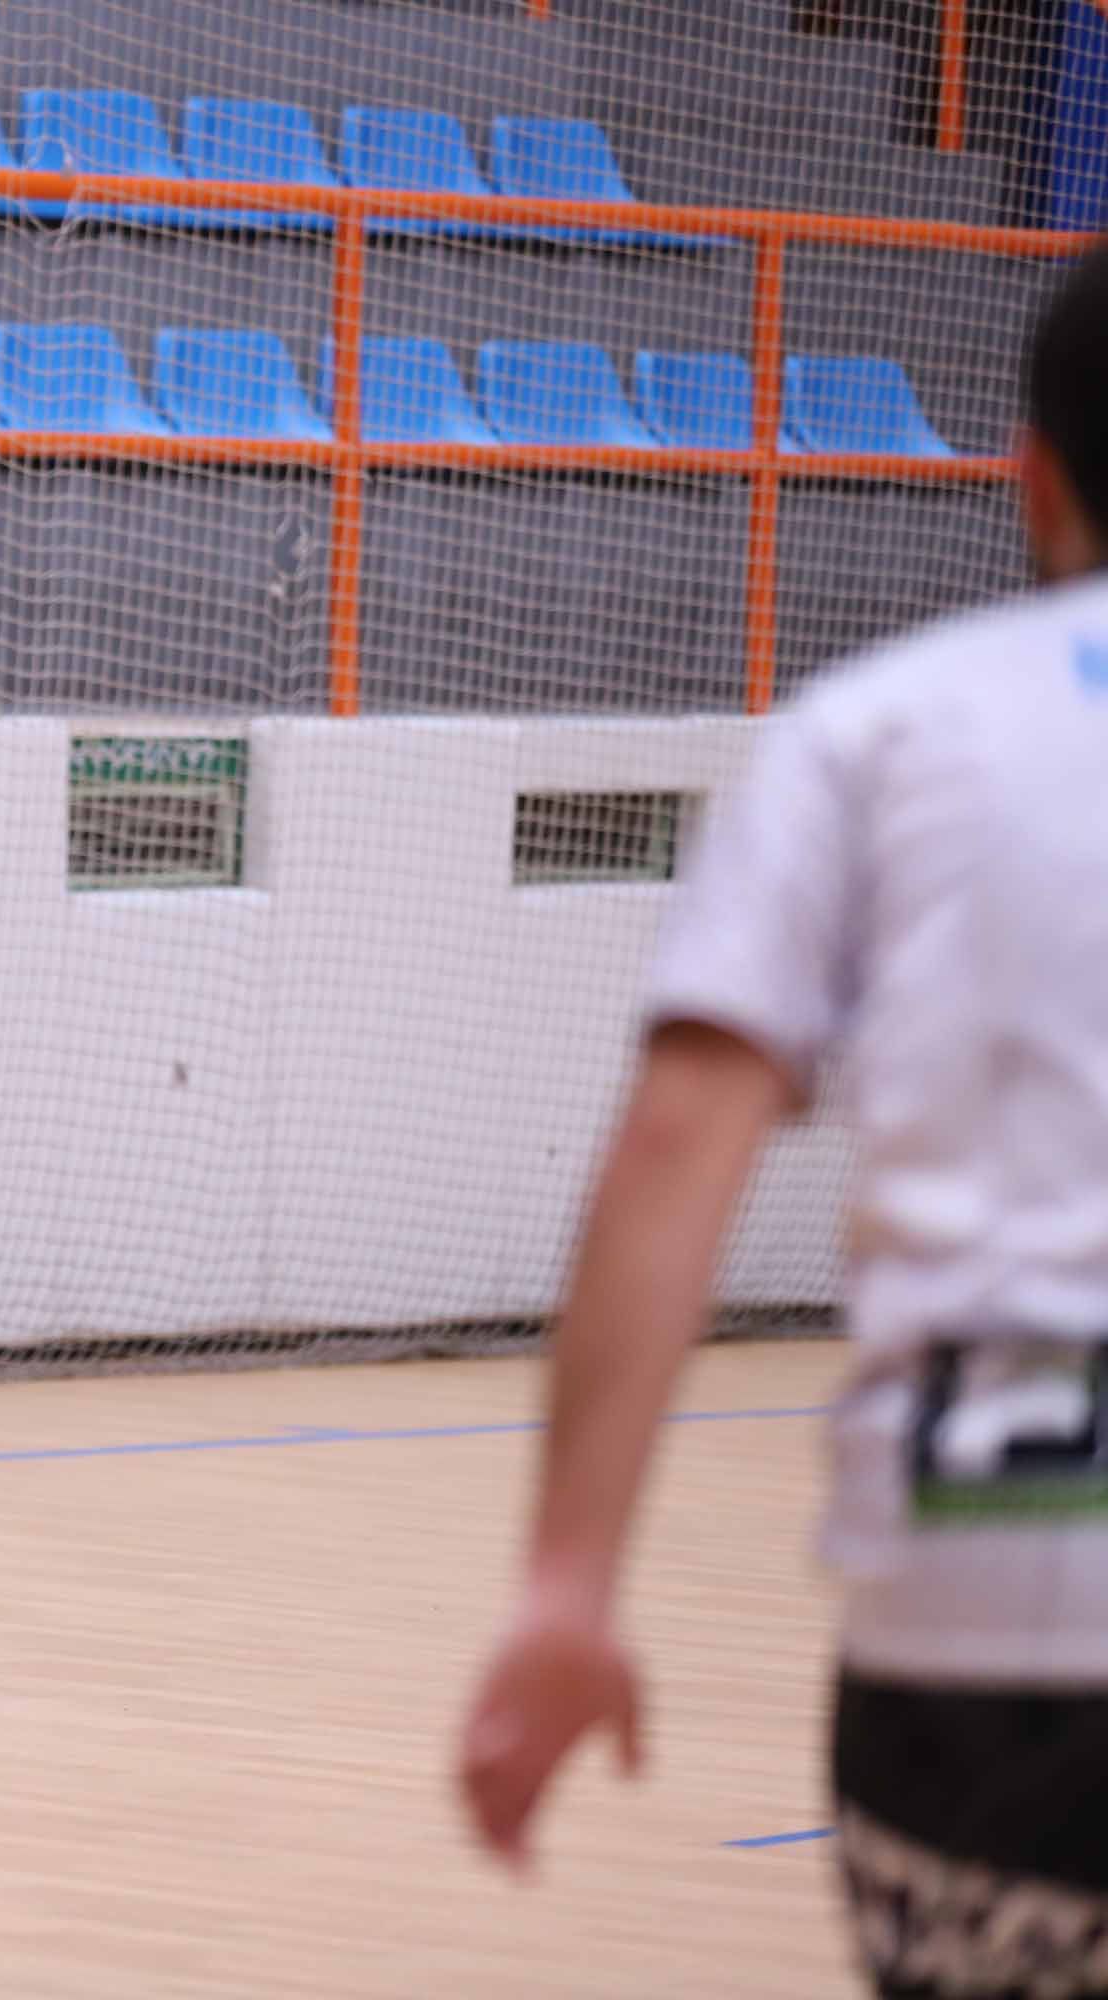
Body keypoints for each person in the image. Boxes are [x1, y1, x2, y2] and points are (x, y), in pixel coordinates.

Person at [458, 237, 1108, 1997]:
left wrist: (566, 1587)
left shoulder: (879, 732)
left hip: (990, 1607)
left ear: (1031, 475)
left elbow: (679, 1145)